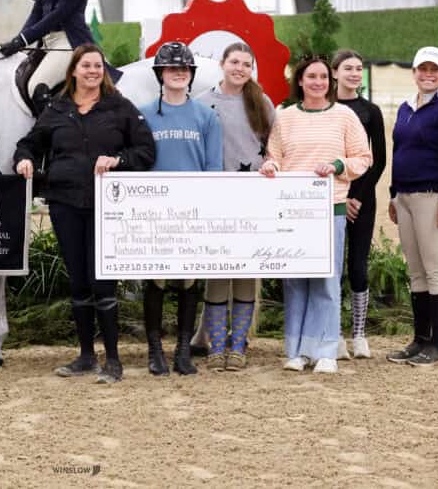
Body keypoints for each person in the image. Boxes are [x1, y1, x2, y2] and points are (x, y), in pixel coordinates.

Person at [14, 44, 155, 384]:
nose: (92, 71)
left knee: (102, 282)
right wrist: (24, 158)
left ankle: (114, 361)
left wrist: (118, 161)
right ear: (74, 70)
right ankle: (86, 357)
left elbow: (146, 151)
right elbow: (30, 142)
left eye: (97, 66)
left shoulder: (120, 107)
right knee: (78, 281)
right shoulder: (56, 108)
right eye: (86, 65)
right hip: (64, 203)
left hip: (107, 207)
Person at [260, 56, 372, 374]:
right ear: (300, 80)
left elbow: (363, 157)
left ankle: (325, 349)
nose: (318, 82)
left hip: (330, 208)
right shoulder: (285, 117)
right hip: (293, 210)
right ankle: (296, 350)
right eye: (312, 76)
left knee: (326, 279)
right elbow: (276, 154)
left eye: (323, 77)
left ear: (330, 81)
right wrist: (272, 166)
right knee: (295, 281)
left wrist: (338, 166)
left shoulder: (344, 116)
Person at [140, 42, 223, 377]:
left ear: (191, 75)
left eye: (184, 69)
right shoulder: (143, 114)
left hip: (191, 209)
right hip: (155, 211)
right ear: (160, 73)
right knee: (156, 279)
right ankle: (155, 350)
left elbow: (213, 167)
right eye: (172, 68)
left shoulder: (206, 116)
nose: (178, 73)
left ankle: (183, 351)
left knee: (188, 280)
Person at [192, 42, 275, 371]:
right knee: (217, 272)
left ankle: (238, 344)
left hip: (251, 197)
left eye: (246, 64)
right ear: (222, 64)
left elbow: (274, 145)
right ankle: (214, 346)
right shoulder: (202, 104)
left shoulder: (261, 102)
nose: (240, 68)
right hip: (214, 197)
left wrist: (271, 165)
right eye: (234, 62)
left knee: (245, 270)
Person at [387, 46, 438, 367]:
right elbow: (399, 152)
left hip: (434, 197)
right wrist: (394, 194)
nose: (428, 74)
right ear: (414, 72)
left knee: (436, 272)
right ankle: (419, 340)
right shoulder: (407, 108)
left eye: (434, 69)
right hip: (405, 197)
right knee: (416, 273)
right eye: (422, 69)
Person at [332, 49, 386, 359]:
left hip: (362, 196)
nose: (354, 73)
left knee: (358, 266)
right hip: (332, 196)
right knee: (334, 267)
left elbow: (376, 160)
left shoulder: (371, 111)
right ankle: (335, 332)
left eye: (358, 68)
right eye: (348, 68)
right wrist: (340, 195)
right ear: (335, 73)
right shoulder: (326, 108)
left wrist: (357, 197)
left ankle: (359, 333)